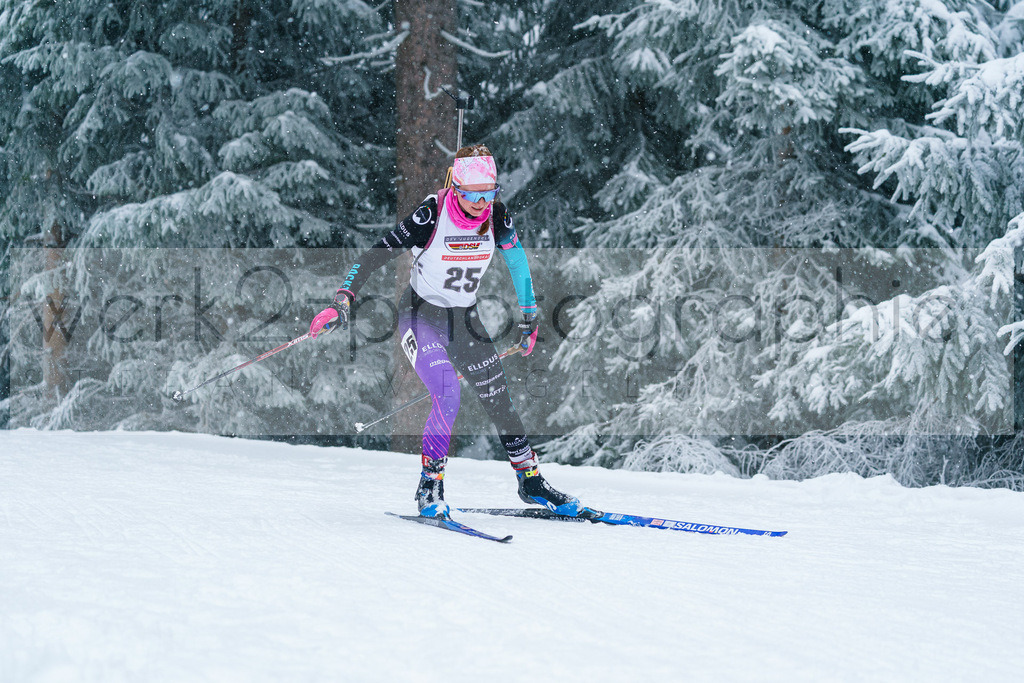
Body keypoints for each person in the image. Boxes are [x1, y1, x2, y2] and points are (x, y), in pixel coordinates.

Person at [308, 144, 581, 519]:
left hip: (464, 320)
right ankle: (429, 485)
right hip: (420, 317)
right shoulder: (431, 214)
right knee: (448, 393)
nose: (480, 203)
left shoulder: (496, 216)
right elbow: (374, 254)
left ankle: (530, 481)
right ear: (456, 188)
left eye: (489, 194)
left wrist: (530, 316)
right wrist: (342, 300)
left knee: (498, 396)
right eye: (472, 195)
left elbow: (517, 262)